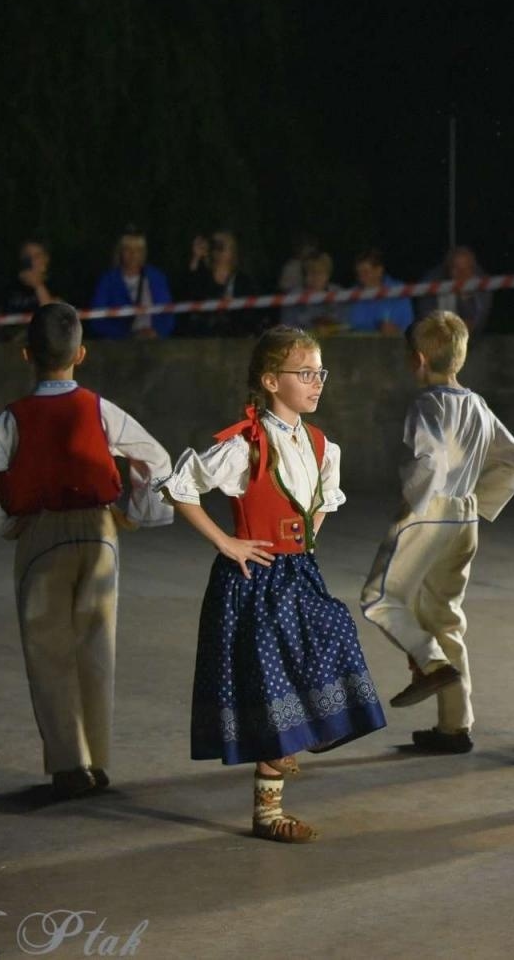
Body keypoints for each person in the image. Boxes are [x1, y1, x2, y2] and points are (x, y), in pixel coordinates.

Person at [160, 325, 386, 842]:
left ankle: (294, 739)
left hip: (297, 571)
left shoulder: (321, 444)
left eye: (319, 372)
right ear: (270, 381)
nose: (317, 382)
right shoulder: (245, 444)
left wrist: (301, 544)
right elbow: (180, 488)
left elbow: (322, 505)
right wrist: (228, 542)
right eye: (304, 373)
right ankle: (268, 812)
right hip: (254, 580)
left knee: (332, 640)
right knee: (268, 684)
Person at [0, 303, 173, 798]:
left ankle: (68, 762)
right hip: (99, 532)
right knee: (97, 646)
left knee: (48, 648)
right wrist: (136, 515)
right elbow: (155, 459)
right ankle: (97, 760)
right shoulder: (98, 408)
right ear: (81, 353)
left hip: (42, 536)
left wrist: (2, 522)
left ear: (26, 355)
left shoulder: (16, 417)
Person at [360, 311, 514, 753]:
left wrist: (417, 509)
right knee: (446, 616)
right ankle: (455, 726)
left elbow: (429, 460)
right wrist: (480, 503)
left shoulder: (425, 405)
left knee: (379, 599)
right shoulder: (477, 404)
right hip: (465, 517)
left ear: (417, 359)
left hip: (430, 512)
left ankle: (431, 663)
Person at [89, 226, 175, 339]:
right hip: (119, 346)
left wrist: (157, 332)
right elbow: (97, 319)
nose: (133, 254)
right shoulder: (108, 280)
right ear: (120, 252)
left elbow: (168, 314)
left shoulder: (156, 277)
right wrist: (126, 335)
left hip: (154, 342)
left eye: (138, 250)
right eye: (128, 249)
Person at [180, 230, 262, 337]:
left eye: (222, 246)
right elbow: (187, 294)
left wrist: (233, 305)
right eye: (215, 245)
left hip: (234, 338)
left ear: (233, 252)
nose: (218, 250)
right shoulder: (203, 276)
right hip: (204, 338)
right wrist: (196, 258)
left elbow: (252, 315)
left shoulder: (242, 281)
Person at [418, 245, 493, 337]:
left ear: (473, 269)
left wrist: (465, 299)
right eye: (456, 268)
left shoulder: (483, 285)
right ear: (448, 269)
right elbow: (428, 321)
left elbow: (476, 325)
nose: (462, 274)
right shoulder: (431, 284)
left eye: (467, 269)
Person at [346, 248, 414, 335]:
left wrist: (396, 331)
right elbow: (348, 325)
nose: (361, 278)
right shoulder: (353, 294)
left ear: (379, 270)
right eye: (358, 273)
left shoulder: (399, 291)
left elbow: (410, 329)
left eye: (365, 272)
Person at [281, 252, 345, 332]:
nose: (315, 278)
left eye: (320, 272)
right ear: (304, 275)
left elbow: (344, 322)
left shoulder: (339, 293)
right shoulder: (293, 297)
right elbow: (288, 328)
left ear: (328, 275)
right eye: (311, 273)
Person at [1, 239, 59, 315]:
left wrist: (38, 286)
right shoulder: (11, 286)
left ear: (46, 259)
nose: (31, 261)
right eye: (27, 256)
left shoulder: (55, 284)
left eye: (37, 256)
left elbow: (51, 317)